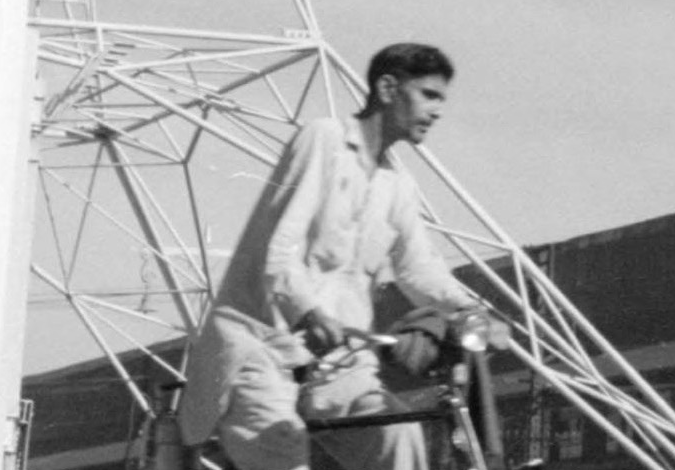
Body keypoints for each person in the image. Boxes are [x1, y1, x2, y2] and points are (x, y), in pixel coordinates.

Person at [178, 43, 490, 470]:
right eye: (428, 95)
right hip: (263, 352)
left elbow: (417, 268)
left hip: (339, 367)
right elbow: (279, 250)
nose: (437, 110)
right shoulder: (323, 139)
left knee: (399, 433)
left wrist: (473, 312)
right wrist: (307, 313)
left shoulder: (397, 184)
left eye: (441, 99)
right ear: (387, 88)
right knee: (285, 453)